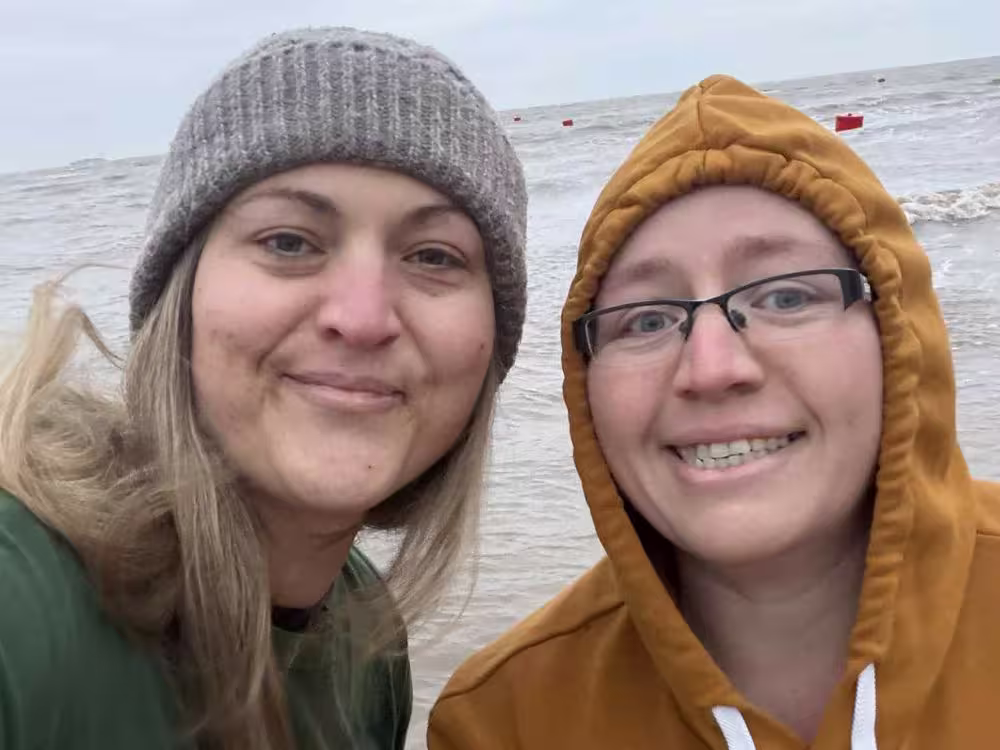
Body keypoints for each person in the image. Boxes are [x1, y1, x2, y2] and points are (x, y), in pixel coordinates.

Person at [429, 74, 1000, 749]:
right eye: (646, 319)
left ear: (900, 332)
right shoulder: (505, 721)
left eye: (785, 298)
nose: (712, 368)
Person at [0, 26, 526, 750]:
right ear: (176, 301)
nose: (363, 318)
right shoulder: (24, 595)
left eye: (433, 256)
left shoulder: (365, 650)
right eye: (288, 242)